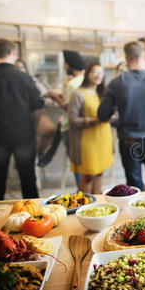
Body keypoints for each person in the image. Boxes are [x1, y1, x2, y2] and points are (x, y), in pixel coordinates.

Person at [98, 41, 145, 191]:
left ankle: (136, 214)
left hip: (129, 141)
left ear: (126, 58)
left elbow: (102, 115)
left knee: (134, 187)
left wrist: (118, 114)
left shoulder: (116, 83)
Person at [0, 39, 44, 200]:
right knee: (28, 181)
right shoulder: (25, 78)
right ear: (11, 53)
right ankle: (35, 218)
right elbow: (37, 104)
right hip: (24, 135)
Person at [68, 63, 113, 195]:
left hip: (103, 138)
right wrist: (92, 120)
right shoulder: (78, 94)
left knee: (99, 173)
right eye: (94, 72)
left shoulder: (104, 94)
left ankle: (97, 204)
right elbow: (72, 119)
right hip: (87, 140)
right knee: (89, 175)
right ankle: (84, 205)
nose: (98, 75)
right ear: (87, 74)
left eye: (101, 72)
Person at [47, 50, 86, 187]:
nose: (64, 67)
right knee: (85, 163)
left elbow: (69, 109)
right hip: (86, 128)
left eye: (65, 64)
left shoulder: (73, 83)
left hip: (70, 128)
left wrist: (55, 97)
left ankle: (82, 194)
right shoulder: (86, 80)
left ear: (69, 64)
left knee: (76, 164)